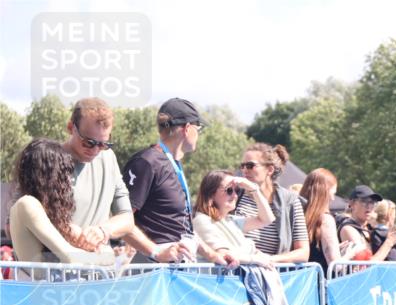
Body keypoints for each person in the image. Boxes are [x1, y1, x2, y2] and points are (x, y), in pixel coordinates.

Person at [123, 98, 234, 266]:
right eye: (199, 129)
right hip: (154, 272)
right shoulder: (146, 162)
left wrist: (213, 255)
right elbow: (122, 220)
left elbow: (182, 229)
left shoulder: (172, 164)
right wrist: (156, 252)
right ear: (187, 129)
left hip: (177, 268)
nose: (198, 135)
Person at [8, 139, 114, 266]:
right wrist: (105, 257)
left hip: (45, 284)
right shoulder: (27, 204)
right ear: (50, 176)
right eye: (63, 175)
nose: (68, 182)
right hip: (39, 285)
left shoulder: (42, 210)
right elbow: (70, 257)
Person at [62, 97, 135, 247]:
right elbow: (14, 224)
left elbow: (127, 218)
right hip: (54, 266)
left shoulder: (108, 158)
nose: (95, 150)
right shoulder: (45, 160)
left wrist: (104, 230)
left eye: (103, 144)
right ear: (71, 128)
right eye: (89, 142)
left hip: (97, 266)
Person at [235, 142, 308, 264]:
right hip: (235, 276)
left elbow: (303, 252)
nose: (244, 170)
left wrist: (267, 260)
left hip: (273, 274)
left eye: (250, 165)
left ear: (269, 169)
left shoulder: (290, 201)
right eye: (242, 166)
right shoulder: (234, 196)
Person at [191, 170, 276, 265]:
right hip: (222, 279)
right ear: (211, 195)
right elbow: (225, 255)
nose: (235, 195)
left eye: (237, 190)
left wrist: (253, 189)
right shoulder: (202, 220)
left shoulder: (230, 220)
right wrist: (256, 259)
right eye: (229, 190)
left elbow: (267, 219)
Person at [300, 168, 345, 274]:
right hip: (320, 282)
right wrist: (351, 253)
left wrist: (335, 248)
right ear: (325, 191)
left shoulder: (298, 215)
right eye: (333, 193)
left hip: (299, 281)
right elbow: (335, 265)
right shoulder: (326, 219)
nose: (333, 199)